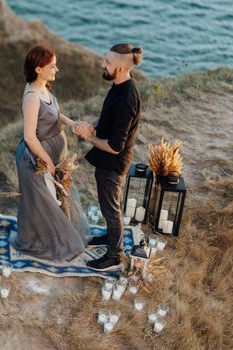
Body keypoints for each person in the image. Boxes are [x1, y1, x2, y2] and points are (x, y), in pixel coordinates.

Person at [14, 45, 89, 260]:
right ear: (38, 69)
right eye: (52, 66)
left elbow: (55, 113)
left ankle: (48, 236)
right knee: (45, 202)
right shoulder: (31, 97)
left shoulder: (44, 88)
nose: (56, 70)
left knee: (55, 197)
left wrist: (72, 123)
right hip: (36, 159)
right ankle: (53, 243)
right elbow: (29, 136)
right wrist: (46, 159)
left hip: (52, 154)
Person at [74, 43, 143, 271]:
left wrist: (89, 138)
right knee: (109, 206)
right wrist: (91, 127)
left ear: (121, 68)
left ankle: (114, 255)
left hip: (113, 163)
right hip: (107, 161)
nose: (103, 65)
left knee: (112, 210)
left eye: (108, 63)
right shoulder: (119, 85)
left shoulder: (127, 98)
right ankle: (110, 237)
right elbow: (109, 122)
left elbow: (115, 146)